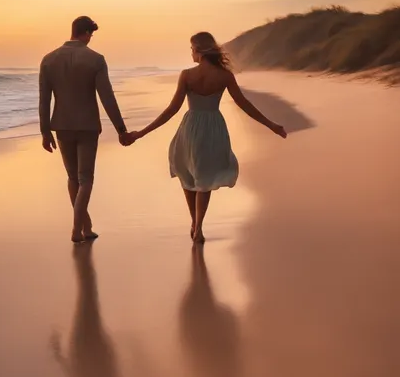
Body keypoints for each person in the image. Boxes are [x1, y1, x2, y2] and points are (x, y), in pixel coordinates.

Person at [128, 32, 287, 243]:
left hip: (191, 128)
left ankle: (194, 222)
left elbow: (172, 110)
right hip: (214, 128)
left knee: (187, 173)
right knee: (204, 177)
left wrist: (141, 133)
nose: (191, 53)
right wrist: (271, 125)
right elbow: (244, 104)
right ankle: (199, 225)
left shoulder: (187, 75)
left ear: (199, 51)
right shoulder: (224, 76)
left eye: (192, 49)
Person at [39, 16, 132, 243]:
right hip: (88, 126)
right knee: (86, 179)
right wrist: (121, 129)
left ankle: (86, 226)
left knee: (73, 178)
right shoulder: (95, 59)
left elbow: (44, 100)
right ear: (86, 33)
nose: (91, 38)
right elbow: (107, 98)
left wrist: (45, 131)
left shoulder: (48, 60)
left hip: (61, 125)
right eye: (91, 34)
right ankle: (76, 229)